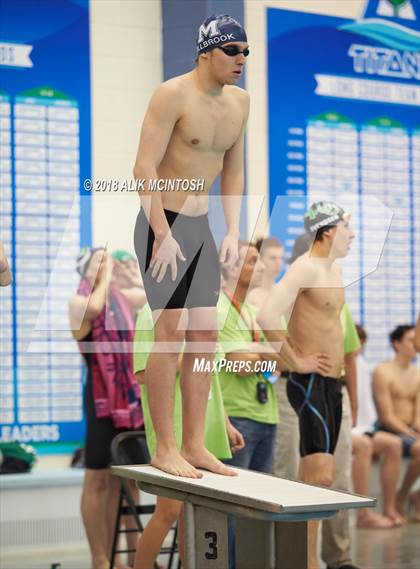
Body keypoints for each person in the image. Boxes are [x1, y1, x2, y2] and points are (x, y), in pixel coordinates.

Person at [132, 14, 250, 478]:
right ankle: (164, 448)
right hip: (162, 226)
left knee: (205, 336)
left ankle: (196, 444)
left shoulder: (241, 103)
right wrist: (161, 232)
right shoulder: (172, 95)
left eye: (245, 52)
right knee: (170, 336)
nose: (241, 60)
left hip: (201, 230)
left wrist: (234, 230)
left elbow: (233, 170)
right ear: (206, 53)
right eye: (232, 51)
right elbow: (143, 168)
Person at [257, 201, 354, 569]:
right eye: (348, 227)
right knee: (318, 476)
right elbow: (267, 315)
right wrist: (295, 360)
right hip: (309, 382)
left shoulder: (335, 270)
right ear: (328, 230)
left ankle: (306, 558)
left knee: (320, 479)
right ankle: (307, 562)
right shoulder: (305, 269)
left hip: (332, 384)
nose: (353, 234)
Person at [132, 303, 245, 569]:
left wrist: (225, 422)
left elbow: (211, 378)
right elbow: (142, 373)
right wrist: (190, 355)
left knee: (194, 515)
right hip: (172, 425)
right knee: (169, 510)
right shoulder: (153, 313)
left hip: (205, 427)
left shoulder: (205, 318)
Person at [69, 247, 144, 569]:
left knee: (129, 480)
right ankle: (100, 558)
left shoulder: (124, 299)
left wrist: (130, 274)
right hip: (100, 401)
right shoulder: (77, 302)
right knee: (98, 479)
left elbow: (149, 296)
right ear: (86, 270)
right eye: (101, 262)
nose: (109, 267)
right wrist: (105, 277)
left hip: (129, 401)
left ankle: (132, 554)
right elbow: (95, 306)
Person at [218, 241, 280, 473]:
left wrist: (256, 351)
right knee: (235, 500)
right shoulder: (219, 309)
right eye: (253, 261)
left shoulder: (254, 312)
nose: (262, 267)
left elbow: (282, 360)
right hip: (236, 416)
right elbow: (240, 365)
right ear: (233, 268)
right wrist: (264, 352)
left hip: (267, 415)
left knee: (261, 499)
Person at [351, 324, 403, 528]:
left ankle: (389, 508)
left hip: (363, 427)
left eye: (361, 346)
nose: (358, 350)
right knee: (364, 445)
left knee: (394, 444)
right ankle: (363, 515)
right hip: (343, 429)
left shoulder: (362, 366)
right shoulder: (340, 366)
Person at [373, 324, 420, 521]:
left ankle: (414, 495)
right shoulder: (382, 371)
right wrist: (411, 434)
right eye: (410, 340)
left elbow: (418, 410)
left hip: (411, 431)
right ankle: (400, 498)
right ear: (396, 344)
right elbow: (386, 416)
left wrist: (416, 428)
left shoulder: (417, 373)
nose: (415, 344)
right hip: (389, 429)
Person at [247, 237, 284, 308]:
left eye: (281, 258)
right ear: (259, 259)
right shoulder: (249, 297)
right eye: (273, 258)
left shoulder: (284, 295)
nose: (279, 263)